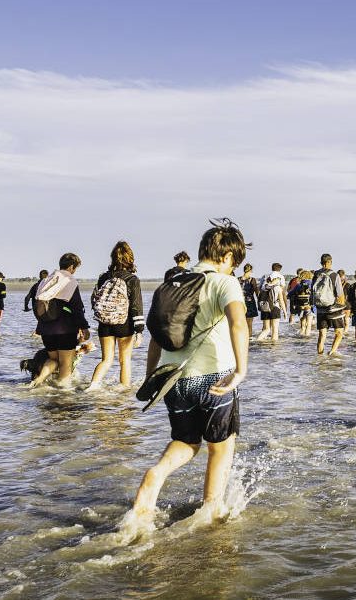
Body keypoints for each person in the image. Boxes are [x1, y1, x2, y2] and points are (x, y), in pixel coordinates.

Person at [129, 221, 250, 527]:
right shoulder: (225, 282)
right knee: (221, 448)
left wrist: (150, 376)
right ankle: (212, 511)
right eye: (234, 263)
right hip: (214, 378)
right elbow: (239, 322)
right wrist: (240, 370)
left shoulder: (172, 284)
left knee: (186, 441)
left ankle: (156, 474)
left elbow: (158, 335)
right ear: (225, 258)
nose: (233, 269)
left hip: (174, 379)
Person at [88, 241, 144, 390]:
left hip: (104, 324)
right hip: (124, 324)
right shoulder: (132, 279)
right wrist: (139, 330)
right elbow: (136, 306)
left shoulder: (103, 278)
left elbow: (95, 300)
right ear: (129, 258)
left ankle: (92, 387)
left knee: (106, 360)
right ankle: (124, 393)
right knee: (124, 360)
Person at [31, 253, 90, 385]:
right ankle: (63, 394)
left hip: (46, 329)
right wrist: (84, 327)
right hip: (65, 329)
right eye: (75, 268)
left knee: (54, 360)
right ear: (71, 267)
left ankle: (38, 380)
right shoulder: (69, 281)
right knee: (65, 364)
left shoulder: (45, 281)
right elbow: (77, 307)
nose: (74, 272)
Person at [311, 253, 348, 356]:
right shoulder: (334, 275)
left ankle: (320, 358)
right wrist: (343, 306)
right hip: (332, 308)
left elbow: (312, 292)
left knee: (322, 334)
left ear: (321, 262)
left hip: (320, 308)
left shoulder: (316, 274)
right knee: (339, 332)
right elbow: (340, 294)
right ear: (329, 262)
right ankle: (332, 352)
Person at [258, 262, 286, 341]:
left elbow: (259, 289)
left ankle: (257, 341)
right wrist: (284, 312)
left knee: (266, 329)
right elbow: (281, 299)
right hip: (275, 307)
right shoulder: (280, 280)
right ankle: (274, 351)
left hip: (265, 306)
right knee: (275, 331)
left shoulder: (264, 277)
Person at [289, 269, 313, 336]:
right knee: (309, 324)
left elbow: (289, 294)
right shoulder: (312, 284)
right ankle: (307, 338)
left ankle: (302, 335)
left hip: (300, 306)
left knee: (303, 323)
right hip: (309, 306)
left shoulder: (298, 285)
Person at [239, 263, 261, 337]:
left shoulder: (238, 279)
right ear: (250, 270)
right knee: (249, 324)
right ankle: (249, 339)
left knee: (242, 323)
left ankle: (242, 338)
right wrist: (259, 301)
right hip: (250, 302)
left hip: (240, 303)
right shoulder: (252, 280)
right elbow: (256, 292)